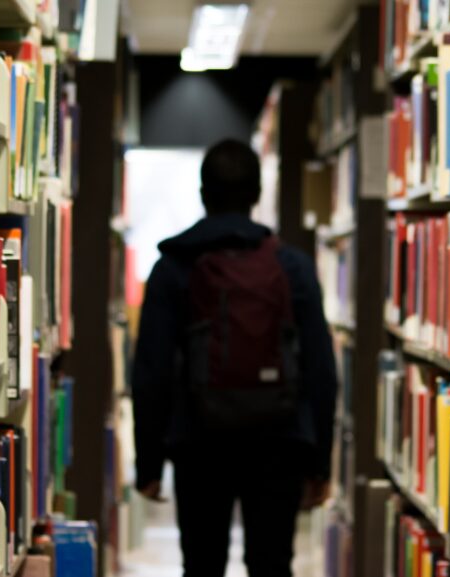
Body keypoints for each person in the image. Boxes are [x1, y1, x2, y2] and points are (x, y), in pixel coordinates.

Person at [131, 139, 339, 577]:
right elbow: (321, 367)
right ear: (257, 194)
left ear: (203, 194)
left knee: (203, 564)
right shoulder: (293, 266)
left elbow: (151, 371)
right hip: (279, 440)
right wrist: (319, 462)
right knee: (271, 564)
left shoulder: (173, 267)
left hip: (198, 441)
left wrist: (149, 462)